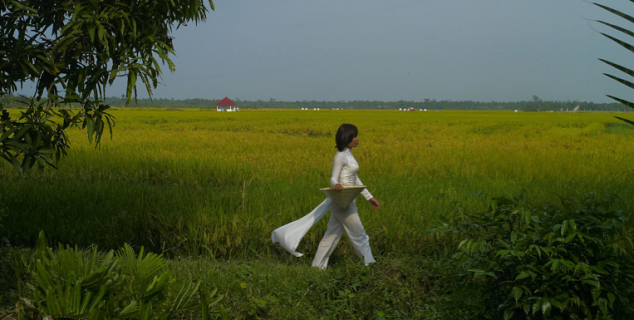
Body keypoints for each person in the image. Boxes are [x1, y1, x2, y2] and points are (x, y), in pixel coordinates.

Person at [271, 123, 380, 269]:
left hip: (347, 199)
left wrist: (369, 197)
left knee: (331, 236)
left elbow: (355, 178)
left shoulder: (349, 154)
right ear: (347, 137)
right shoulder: (340, 155)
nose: (357, 139)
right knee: (360, 235)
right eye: (354, 136)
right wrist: (336, 185)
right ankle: (370, 266)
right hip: (343, 201)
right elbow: (333, 178)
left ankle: (317, 268)